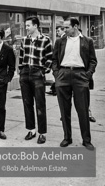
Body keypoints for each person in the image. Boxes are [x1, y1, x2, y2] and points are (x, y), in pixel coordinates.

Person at [52, 18, 97, 151]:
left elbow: (93, 60)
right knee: (64, 109)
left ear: (76, 26)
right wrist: (56, 74)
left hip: (80, 76)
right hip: (63, 75)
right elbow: (54, 59)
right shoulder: (60, 41)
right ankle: (67, 137)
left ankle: (86, 140)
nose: (64, 30)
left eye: (67, 27)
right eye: (64, 28)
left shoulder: (87, 41)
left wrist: (87, 75)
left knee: (83, 109)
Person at [19, 16, 53, 144]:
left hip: (37, 73)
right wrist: (21, 70)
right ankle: (31, 130)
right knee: (27, 103)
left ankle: (42, 133)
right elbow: (21, 56)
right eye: (26, 25)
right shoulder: (24, 40)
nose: (26, 28)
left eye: (28, 25)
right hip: (25, 73)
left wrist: (43, 71)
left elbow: (50, 58)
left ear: (35, 26)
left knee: (40, 104)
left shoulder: (46, 40)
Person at [46, 26, 65, 96]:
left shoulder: (61, 40)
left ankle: (55, 90)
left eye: (58, 31)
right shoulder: (59, 40)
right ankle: (54, 90)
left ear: (64, 30)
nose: (57, 33)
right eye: (57, 31)